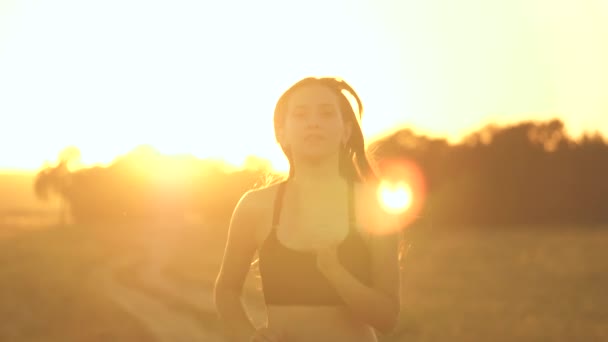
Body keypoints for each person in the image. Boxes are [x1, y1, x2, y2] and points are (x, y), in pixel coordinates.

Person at [214, 76, 402, 342]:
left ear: (346, 131)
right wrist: (248, 337)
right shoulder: (256, 206)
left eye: (326, 114)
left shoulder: (373, 207)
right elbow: (226, 291)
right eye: (300, 115)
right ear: (282, 133)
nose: (313, 122)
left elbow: (387, 318)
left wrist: (334, 271)